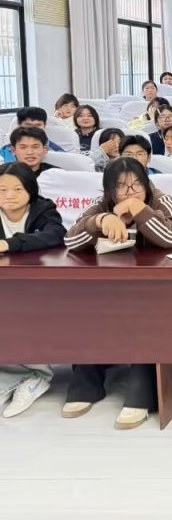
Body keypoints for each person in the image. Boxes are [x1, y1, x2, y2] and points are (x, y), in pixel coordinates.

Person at [63, 158, 172, 429]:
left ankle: (142, 390)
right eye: (121, 187)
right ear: (109, 189)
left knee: (147, 317)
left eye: (137, 184)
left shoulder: (163, 201)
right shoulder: (100, 205)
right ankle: (86, 384)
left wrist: (140, 210)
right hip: (111, 289)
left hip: (157, 289)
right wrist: (99, 221)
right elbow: (70, 240)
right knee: (83, 312)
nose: (130, 191)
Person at [0, 163, 66, 418]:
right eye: (2, 189)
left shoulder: (43, 209)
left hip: (39, 285)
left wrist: (10, 244)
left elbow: (55, 235)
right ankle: (13, 375)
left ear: (30, 190)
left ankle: (38, 374)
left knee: (21, 314)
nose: (9, 195)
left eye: (17, 189)